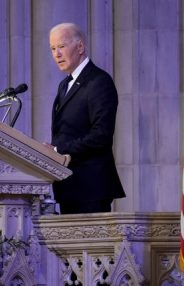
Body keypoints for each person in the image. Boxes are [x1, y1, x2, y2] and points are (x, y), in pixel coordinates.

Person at [47, 23, 125, 214]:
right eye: (53, 49)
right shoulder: (64, 85)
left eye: (62, 47)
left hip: (91, 187)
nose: (57, 54)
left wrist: (57, 150)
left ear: (80, 47)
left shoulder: (98, 81)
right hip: (68, 185)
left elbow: (101, 136)